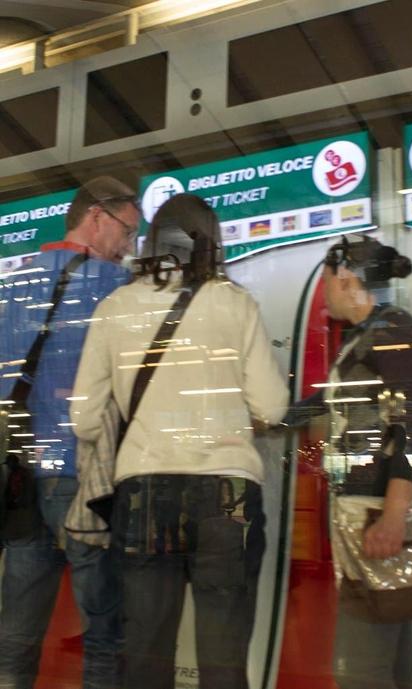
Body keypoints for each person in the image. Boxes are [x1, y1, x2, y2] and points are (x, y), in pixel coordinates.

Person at [69, 193, 289, 689]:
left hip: (144, 492)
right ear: (211, 241)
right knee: (224, 656)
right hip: (227, 496)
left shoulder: (116, 307)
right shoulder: (234, 303)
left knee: (144, 656)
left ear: (152, 241)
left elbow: (84, 420)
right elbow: (274, 407)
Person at [0, 176, 140, 689]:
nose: (128, 246)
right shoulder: (114, 286)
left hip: (20, 477)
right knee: (105, 632)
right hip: (85, 476)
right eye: (127, 230)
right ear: (97, 216)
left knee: (16, 628)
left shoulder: (12, 285)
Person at [288, 235, 412, 689]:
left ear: (346, 279)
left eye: (327, 280)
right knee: (391, 665)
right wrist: (271, 418)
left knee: (360, 672)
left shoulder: (395, 335)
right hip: (361, 517)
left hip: (376, 519)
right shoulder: (366, 338)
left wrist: (392, 516)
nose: (323, 291)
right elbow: (329, 402)